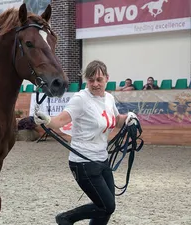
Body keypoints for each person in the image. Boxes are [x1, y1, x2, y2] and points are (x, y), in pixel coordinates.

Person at [34, 60, 138, 225]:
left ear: (107, 78)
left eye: (99, 79)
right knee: (106, 206)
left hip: (102, 160)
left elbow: (116, 120)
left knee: (105, 210)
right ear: (86, 81)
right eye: (91, 80)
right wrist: (46, 120)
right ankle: (65, 218)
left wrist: (129, 119)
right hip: (83, 163)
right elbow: (59, 121)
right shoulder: (80, 99)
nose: (95, 84)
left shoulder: (109, 98)